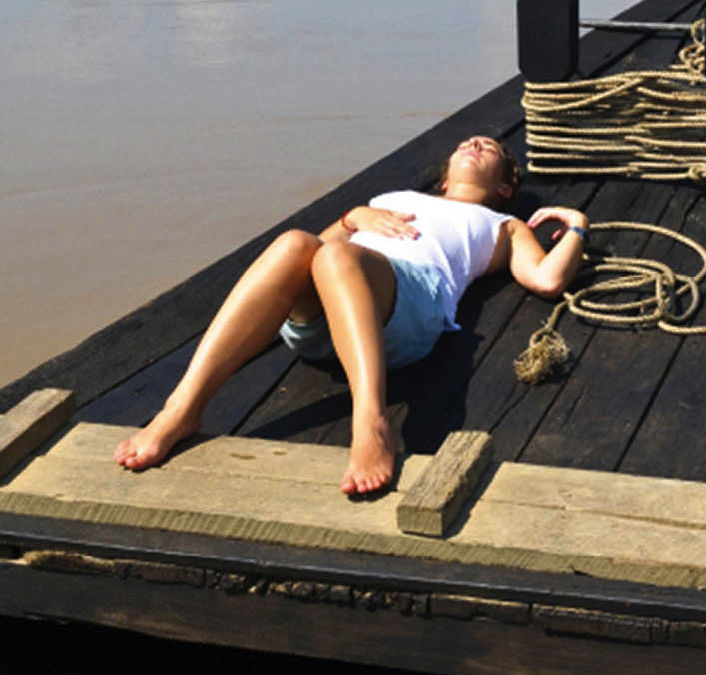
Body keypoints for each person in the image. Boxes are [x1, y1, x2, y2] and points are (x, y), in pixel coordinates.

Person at [113, 135, 587, 495]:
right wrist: (352, 219)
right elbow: (311, 254)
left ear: (504, 186)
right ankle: (182, 409)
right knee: (294, 243)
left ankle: (372, 421)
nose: (476, 143)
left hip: (407, 310)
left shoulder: (502, 225)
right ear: (443, 179)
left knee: (336, 258)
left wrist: (577, 229)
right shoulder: (391, 200)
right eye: (467, 141)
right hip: (326, 314)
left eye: (489, 147)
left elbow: (546, 280)